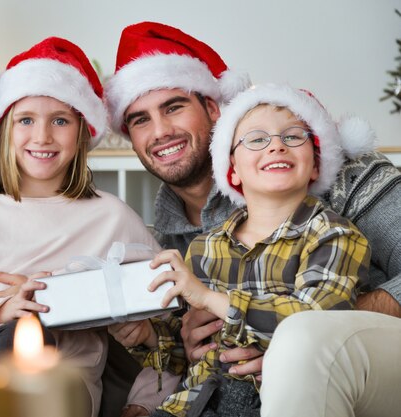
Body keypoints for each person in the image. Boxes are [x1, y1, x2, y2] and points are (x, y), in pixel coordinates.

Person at [104, 21, 401, 417]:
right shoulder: (182, 244)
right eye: (140, 119)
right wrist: (172, 341)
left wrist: (294, 343)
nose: (160, 131)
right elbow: (182, 354)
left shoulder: (341, 175)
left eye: (174, 107)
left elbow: (304, 326)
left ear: (212, 107)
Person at [0, 37, 162, 417]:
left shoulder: (113, 218)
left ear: (82, 132)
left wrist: (143, 345)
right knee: (18, 333)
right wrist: (4, 310)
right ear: (4, 130)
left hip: (64, 390)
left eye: (60, 120)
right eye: (26, 120)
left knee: (37, 338)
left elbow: (169, 326)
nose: (42, 137)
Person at [143, 83, 372, 417]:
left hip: (273, 400)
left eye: (293, 137)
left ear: (316, 165)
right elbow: (183, 352)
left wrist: (212, 299)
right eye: (256, 139)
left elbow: (317, 323)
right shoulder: (204, 248)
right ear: (232, 169)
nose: (276, 146)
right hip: (191, 404)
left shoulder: (334, 235)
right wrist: (141, 336)